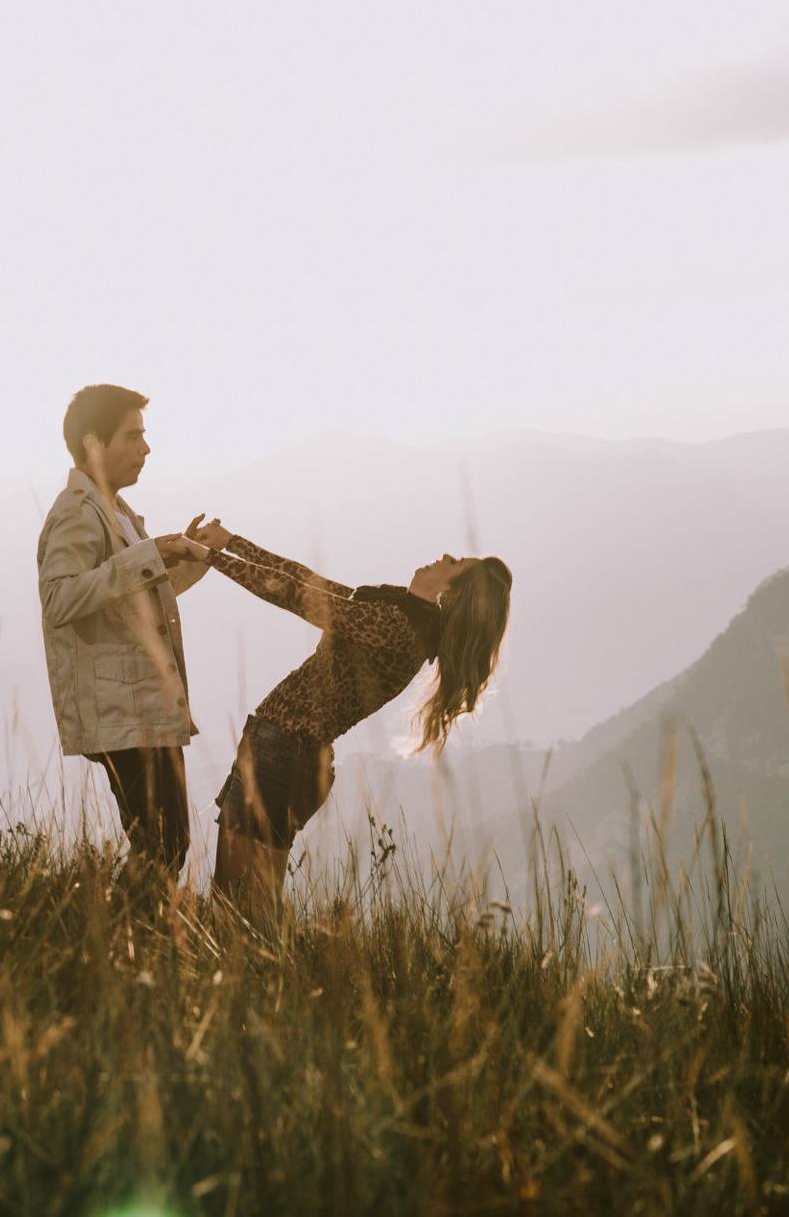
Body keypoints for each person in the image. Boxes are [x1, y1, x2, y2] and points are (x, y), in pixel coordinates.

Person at [181, 515, 512, 912]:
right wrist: (231, 542)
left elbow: (294, 595)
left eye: (454, 562)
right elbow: (308, 582)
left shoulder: (396, 626)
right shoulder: (400, 616)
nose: (444, 556)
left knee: (235, 904)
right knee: (255, 905)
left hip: (280, 756)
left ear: (451, 593)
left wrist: (209, 556)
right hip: (288, 755)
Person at [37, 385, 208, 884]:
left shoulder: (117, 512)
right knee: (163, 844)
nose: (145, 449)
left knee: (166, 844)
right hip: (121, 711)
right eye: (132, 436)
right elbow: (60, 599)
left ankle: (120, 920)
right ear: (94, 444)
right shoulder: (76, 511)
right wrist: (151, 554)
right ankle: (116, 923)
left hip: (146, 706)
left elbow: (133, 596)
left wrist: (189, 554)